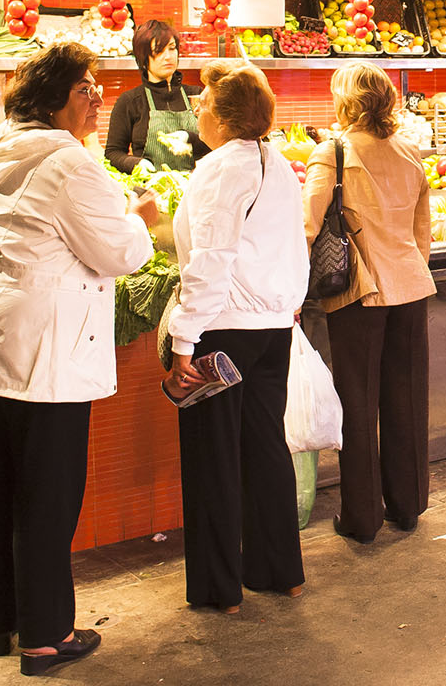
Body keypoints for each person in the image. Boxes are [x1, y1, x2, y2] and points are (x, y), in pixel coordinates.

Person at [0, 42, 159, 677]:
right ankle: (46, 635)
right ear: (53, 98)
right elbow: (118, 253)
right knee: (48, 495)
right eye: (85, 88)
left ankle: (2, 621)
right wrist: (139, 216)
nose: (96, 97)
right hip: (43, 354)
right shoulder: (69, 165)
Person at [161, 59, 309, 614]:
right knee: (264, 445)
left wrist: (183, 340)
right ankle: (280, 572)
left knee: (213, 459)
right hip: (272, 328)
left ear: (223, 118)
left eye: (203, 103)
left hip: (223, 329)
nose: (196, 109)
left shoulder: (221, 169)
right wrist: (287, 306)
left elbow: (211, 260)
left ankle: (219, 590)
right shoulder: (276, 162)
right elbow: (292, 246)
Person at [303, 62, 436, 543]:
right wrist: (408, 267)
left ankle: (362, 518)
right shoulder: (410, 151)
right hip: (410, 288)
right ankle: (408, 506)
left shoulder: (332, 152)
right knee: (407, 399)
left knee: (357, 404)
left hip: (359, 295)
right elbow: (423, 232)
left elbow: (308, 226)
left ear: (347, 102)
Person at [105, 20, 206, 173]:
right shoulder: (130, 101)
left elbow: (218, 143)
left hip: (195, 187)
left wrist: (189, 138)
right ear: (143, 58)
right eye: (158, 51)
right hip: (150, 189)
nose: (168, 57)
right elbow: (113, 153)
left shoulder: (196, 95)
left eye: (172, 49)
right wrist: (136, 163)